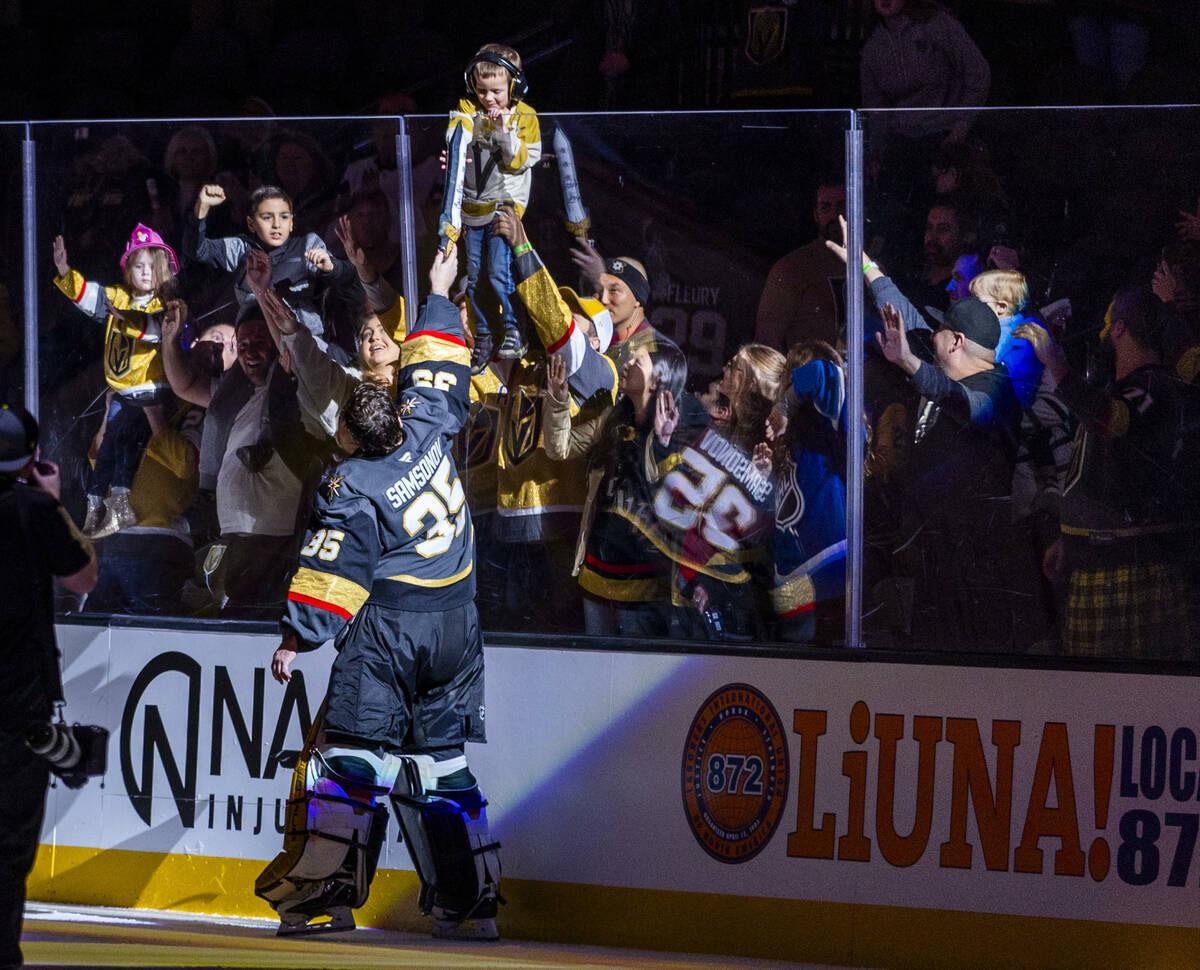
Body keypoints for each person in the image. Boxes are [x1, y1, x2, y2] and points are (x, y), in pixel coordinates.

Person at [256, 247, 502, 941]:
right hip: (460, 629)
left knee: (350, 764)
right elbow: (439, 362)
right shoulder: (426, 424)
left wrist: (295, 637)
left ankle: (320, 901)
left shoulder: (353, 485)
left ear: (352, 439)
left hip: (393, 633)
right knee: (440, 764)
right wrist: (436, 289)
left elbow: (336, 569)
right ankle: (471, 905)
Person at [1017, 286, 1195, 659]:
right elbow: (1100, 473)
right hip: (1102, 567)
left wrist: (1056, 363)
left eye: (1108, 318)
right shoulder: (1124, 389)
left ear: (1118, 328)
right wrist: (1071, 539)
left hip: (1133, 576)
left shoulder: (1153, 386)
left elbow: (1112, 421)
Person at [0, 405, 96, 970]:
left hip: (20, 701)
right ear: (32, 457)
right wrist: (54, 501)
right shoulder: (34, 510)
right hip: (18, 703)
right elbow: (83, 575)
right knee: (10, 839)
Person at [162, 293, 319, 618]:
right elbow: (184, 387)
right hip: (235, 537)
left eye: (260, 342)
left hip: (271, 539)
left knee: (250, 622)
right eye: (243, 345)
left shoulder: (300, 390)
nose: (249, 353)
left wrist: (263, 292)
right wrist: (169, 340)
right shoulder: (238, 398)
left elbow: (298, 351)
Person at [52, 224, 180, 538]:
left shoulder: (164, 304)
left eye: (152, 266)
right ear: (127, 270)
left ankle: (121, 503)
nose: (146, 272)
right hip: (122, 391)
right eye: (139, 266)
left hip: (150, 392)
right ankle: (95, 504)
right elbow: (92, 296)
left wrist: (127, 320)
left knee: (125, 444)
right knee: (108, 445)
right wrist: (66, 272)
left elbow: (155, 331)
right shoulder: (118, 296)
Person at [185, 183, 357, 358]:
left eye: (283, 217)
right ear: (251, 223)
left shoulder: (306, 244)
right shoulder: (241, 249)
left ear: (291, 222)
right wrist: (202, 208)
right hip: (255, 344)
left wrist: (330, 268)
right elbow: (197, 250)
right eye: (267, 217)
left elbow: (349, 278)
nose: (276, 224)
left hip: (303, 339)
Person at [448, 43, 541, 364]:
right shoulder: (466, 106)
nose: (488, 98)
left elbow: (521, 160)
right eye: (482, 90)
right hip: (472, 208)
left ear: (515, 86)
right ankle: (484, 335)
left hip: (504, 206)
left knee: (498, 272)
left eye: (497, 91)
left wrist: (502, 131)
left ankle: (514, 328)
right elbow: (456, 138)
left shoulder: (525, 116)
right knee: (474, 277)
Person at [755, 182, 849, 352]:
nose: (835, 214)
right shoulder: (793, 268)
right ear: (816, 214)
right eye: (825, 207)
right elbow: (768, 341)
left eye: (842, 205)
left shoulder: (869, 267)